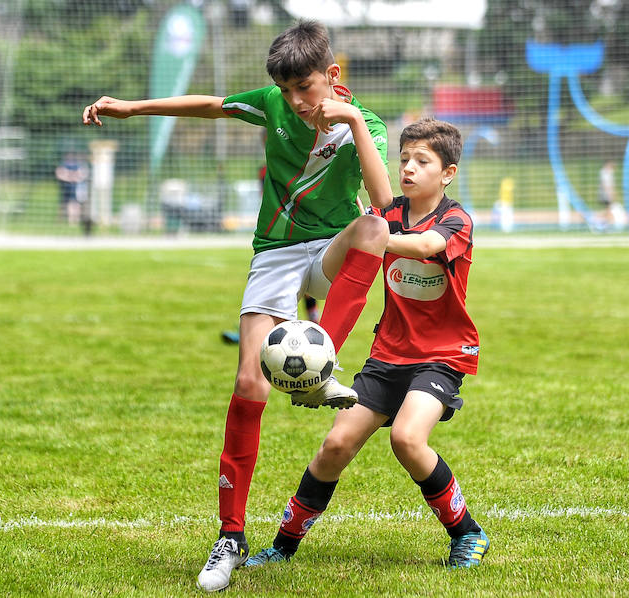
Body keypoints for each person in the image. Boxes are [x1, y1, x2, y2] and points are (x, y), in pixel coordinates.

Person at [82, 20, 389, 592]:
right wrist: (133, 108)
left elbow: (384, 204)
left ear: (332, 75)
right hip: (274, 255)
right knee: (250, 384)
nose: (297, 101)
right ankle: (230, 538)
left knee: (372, 227)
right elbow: (211, 105)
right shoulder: (273, 102)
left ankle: (322, 366)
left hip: (331, 250)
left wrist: (350, 123)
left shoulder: (362, 124)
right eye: (287, 89)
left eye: (307, 87)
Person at [244, 115, 489, 572]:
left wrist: (376, 237)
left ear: (448, 172)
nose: (409, 168)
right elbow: (367, 224)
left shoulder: (456, 219)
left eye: (422, 161)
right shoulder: (389, 213)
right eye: (404, 159)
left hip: (441, 356)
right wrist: (357, 227)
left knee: (407, 438)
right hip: (387, 355)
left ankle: (467, 533)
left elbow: (422, 246)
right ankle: (283, 544)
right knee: (335, 446)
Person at [55, 151, 90, 225]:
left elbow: (81, 175)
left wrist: (70, 176)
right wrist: (70, 176)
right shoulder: (63, 164)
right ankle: (66, 220)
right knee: (65, 204)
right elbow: (60, 173)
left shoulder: (79, 165)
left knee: (76, 203)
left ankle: (75, 220)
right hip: (65, 188)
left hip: (76, 188)